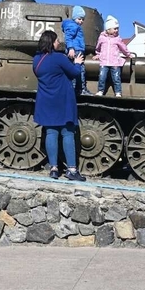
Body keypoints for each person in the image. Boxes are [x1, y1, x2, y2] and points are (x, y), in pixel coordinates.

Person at [32, 30, 87, 181]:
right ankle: (71, 170)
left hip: (46, 100)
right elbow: (74, 72)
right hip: (62, 100)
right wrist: (77, 63)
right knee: (68, 133)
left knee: (51, 133)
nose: (58, 43)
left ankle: (54, 168)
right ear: (51, 42)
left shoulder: (36, 60)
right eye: (56, 41)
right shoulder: (59, 58)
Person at [93, 15, 133, 97]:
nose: (117, 30)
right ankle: (100, 91)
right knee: (102, 77)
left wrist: (128, 54)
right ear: (108, 29)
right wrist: (98, 54)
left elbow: (123, 47)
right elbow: (98, 47)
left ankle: (118, 92)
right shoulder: (102, 38)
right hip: (104, 61)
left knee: (116, 78)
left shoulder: (117, 39)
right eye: (115, 28)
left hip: (114, 62)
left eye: (117, 28)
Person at [61, 5, 93, 96]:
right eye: (79, 19)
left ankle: (76, 88)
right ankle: (79, 89)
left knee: (76, 69)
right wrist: (71, 48)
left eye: (83, 19)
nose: (81, 21)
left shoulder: (73, 25)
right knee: (79, 70)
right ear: (74, 17)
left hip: (76, 49)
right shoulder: (73, 26)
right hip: (76, 50)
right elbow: (68, 37)